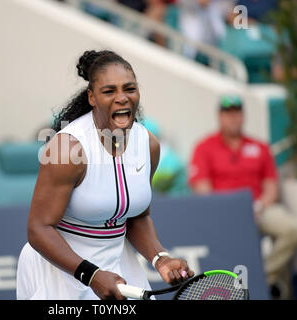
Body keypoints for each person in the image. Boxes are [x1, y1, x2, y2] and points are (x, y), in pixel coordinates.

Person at [16, 50, 194, 300]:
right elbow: (38, 229)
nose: (122, 98)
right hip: (62, 269)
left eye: (129, 89)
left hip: (118, 264)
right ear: (92, 97)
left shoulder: (148, 145)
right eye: (109, 91)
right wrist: (92, 275)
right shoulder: (67, 149)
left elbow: (137, 216)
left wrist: (160, 258)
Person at [188, 94, 297, 292]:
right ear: (220, 116)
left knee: (293, 229)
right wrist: (228, 209)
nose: (233, 117)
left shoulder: (260, 147)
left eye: (237, 112)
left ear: (243, 116)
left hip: (257, 210)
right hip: (222, 213)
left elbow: (271, 186)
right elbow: (201, 188)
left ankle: (262, 277)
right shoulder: (205, 147)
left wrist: (259, 206)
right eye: (228, 113)